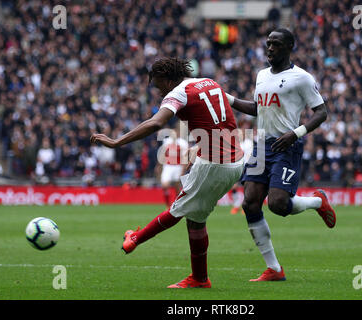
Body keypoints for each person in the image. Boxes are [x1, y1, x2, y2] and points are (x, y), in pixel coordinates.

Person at [90, 57, 244, 288]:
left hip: (215, 163)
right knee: (196, 219)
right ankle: (200, 278)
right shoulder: (209, 82)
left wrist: (116, 142)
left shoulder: (179, 92)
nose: (157, 90)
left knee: (177, 209)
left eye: (158, 84)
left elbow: (155, 123)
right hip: (235, 160)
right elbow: (222, 120)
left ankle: (135, 239)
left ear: (168, 79)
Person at [225, 28, 336, 281]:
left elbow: (321, 112)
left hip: (287, 145)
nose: (270, 48)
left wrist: (296, 133)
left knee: (277, 204)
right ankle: (274, 269)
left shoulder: (302, 78)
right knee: (250, 202)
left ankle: (318, 201)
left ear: (289, 47)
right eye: (268, 44)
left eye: (275, 44)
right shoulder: (261, 75)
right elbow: (257, 108)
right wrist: (229, 99)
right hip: (262, 144)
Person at [158, 125, 189, 208]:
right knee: (165, 185)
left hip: (178, 167)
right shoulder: (166, 142)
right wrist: (159, 166)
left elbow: (184, 158)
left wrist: (183, 170)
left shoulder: (183, 143)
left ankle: (177, 205)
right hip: (168, 166)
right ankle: (168, 205)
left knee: (177, 187)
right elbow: (162, 154)